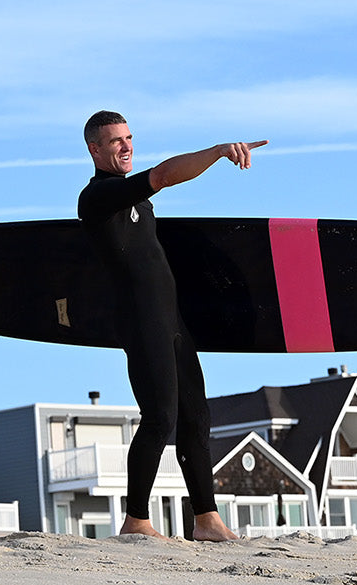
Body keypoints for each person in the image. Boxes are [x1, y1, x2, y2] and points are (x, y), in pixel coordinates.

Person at [77, 110, 266, 541]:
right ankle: (136, 521)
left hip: (171, 318)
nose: (125, 147)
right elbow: (162, 174)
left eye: (128, 138)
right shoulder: (97, 198)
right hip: (140, 320)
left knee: (196, 416)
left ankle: (206, 519)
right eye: (114, 142)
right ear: (95, 149)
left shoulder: (137, 203)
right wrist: (219, 152)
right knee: (159, 417)